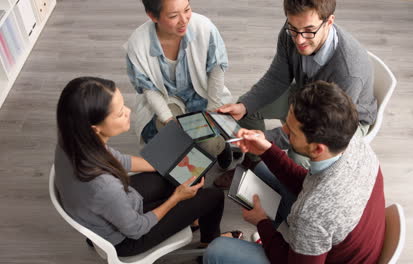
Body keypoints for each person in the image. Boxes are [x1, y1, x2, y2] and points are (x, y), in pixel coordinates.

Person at [54, 77, 241, 257]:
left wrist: (166, 164)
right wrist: (176, 199)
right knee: (214, 196)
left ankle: (190, 216)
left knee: (176, 176)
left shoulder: (72, 140)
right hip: (128, 238)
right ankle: (211, 244)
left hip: (108, 210)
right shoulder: (104, 187)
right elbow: (137, 229)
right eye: (120, 113)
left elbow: (120, 160)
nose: (128, 111)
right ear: (95, 128)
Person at [204, 81, 385, 264]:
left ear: (317, 149)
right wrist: (265, 150)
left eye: (291, 132)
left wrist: (262, 223)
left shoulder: (312, 214)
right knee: (262, 167)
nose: (282, 131)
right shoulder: (353, 139)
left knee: (217, 250)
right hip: (349, 241)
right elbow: (311, 184)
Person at [215, 0, 376, 183]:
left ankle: (290, 191)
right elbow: (277, 77)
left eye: (309, 30)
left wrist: (265, 139)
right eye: (293, 29)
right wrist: (244, 106)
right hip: (306, 94)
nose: (299, 40)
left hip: (340, 120)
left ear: (329, 22)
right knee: (248, 108)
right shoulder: (293, 29)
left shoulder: (348, 72)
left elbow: (319, 127)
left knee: (299, 153)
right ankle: (255, 164)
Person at [126, 0, 234, 168]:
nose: (184, 20)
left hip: (203, 95)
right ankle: (193, 177)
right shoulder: (137, 44)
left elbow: (217, 70)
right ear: (152, 16)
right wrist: (168, 119)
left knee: (210, 144)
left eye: (187, 9)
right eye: (173, 16)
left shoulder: (205, 28)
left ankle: (220, 147)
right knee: (175, 141)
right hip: (167, 100)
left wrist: (212, 109)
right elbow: (150, 89)